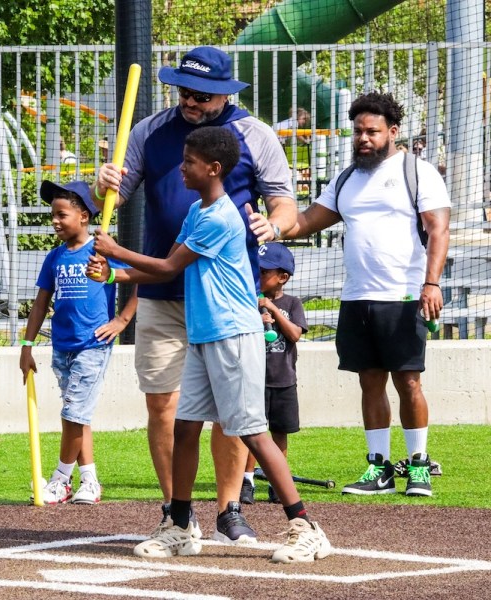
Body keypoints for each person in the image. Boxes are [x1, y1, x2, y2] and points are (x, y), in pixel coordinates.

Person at [89, 126, 330, 563]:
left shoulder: (223, 216)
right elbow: (169, 272)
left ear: (213, 168)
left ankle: (305, 526)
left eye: (189, 162)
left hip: (233, 336)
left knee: (252, 433)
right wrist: (112, 275)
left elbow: (167, 264)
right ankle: (180, 525)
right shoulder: (199, 212)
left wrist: (114, 250)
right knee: (185, 428)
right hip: (204, 336)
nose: (181, 168)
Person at [282, 91, 451, 497]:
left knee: (408, 382)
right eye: (357, 131)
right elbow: (304, 222)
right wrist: (270, 225)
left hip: (405, 296)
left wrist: (431, 283)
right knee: (369, 382)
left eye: (372, 131)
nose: (363, 138)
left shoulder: (418, 172)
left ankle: (419, 467)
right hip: (358, 298)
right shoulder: (346, 179)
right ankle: (379, 469)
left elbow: (438, 229)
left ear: (393, 132)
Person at [19, 180, 137, 505]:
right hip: (62, 346)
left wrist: (122, 320)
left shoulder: (102, 251)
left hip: (93, 344)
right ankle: (89, 480)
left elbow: (140, 278)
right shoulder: (54, 257)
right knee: (78, 414)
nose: (55, 220)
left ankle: (60, 480)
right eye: (53, 215)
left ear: (84, 216)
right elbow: (41, 303)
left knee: (72, 413)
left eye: (62, 214)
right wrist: (26, 346)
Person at [240, 242, 308, 505]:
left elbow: (294, 335)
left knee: (280, 432)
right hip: (255, 379)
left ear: (283, 277)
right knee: (253, 432)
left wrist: (274, 312)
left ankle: (277, 482)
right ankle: (246, 480)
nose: (258, 277)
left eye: (264, 273)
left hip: (283, 380)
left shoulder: (292, 303)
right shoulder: (249, 301)